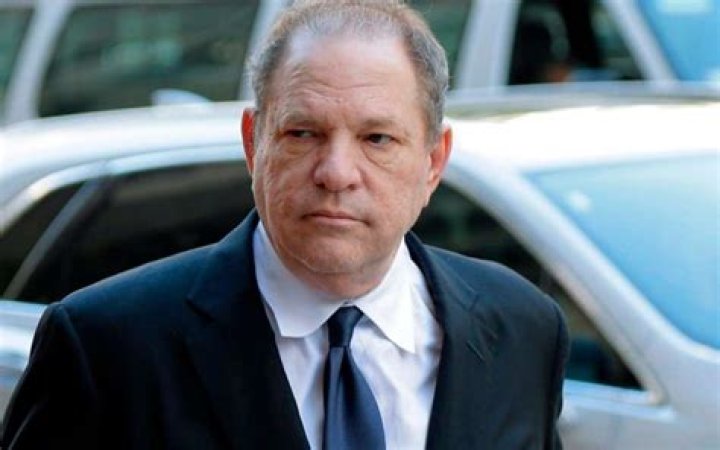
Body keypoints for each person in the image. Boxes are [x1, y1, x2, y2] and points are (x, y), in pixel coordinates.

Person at [1, 1, 568, 449]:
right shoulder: (108, 346)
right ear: (254, 145)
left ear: (433, 161)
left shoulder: (521, 329)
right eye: (303, 134)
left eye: (377, 138)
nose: (336, 173)